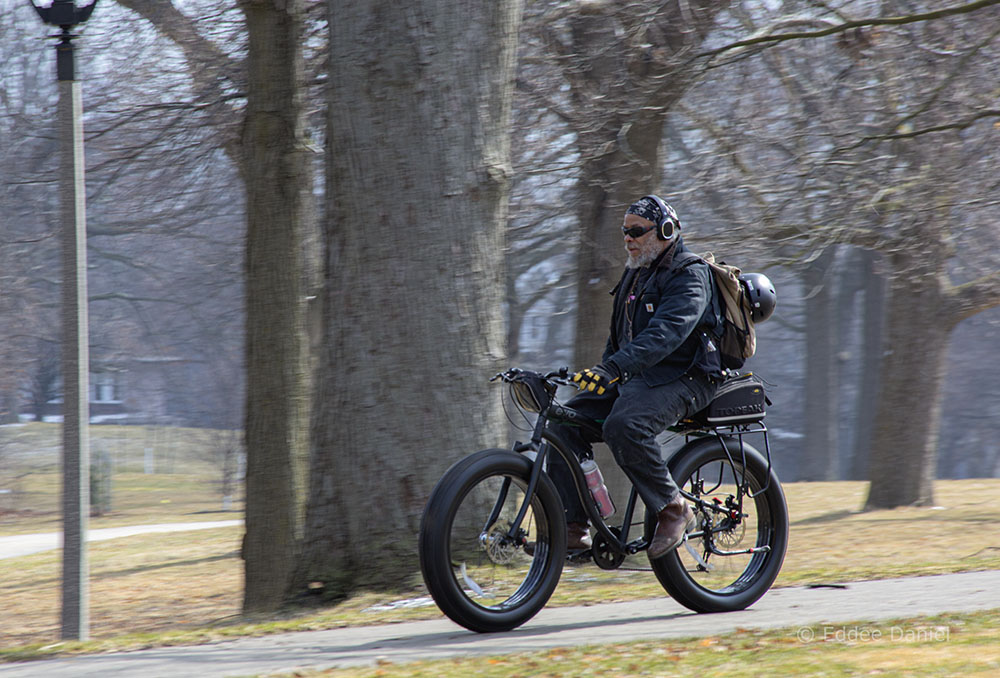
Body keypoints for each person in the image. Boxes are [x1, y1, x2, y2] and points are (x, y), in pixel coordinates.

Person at [548, 195, 724, 559]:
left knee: (624, 426)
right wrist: (604, 373)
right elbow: (620, 337)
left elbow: (666, 333)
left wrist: (616, 369)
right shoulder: (635, 274)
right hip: (640, 377)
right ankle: (574, 526)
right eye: (624, 231)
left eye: (637, 231)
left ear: (666, 231)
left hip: (688, 377)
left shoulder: (691, 274)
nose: (628, 238)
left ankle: (674, 507)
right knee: (562, 423)